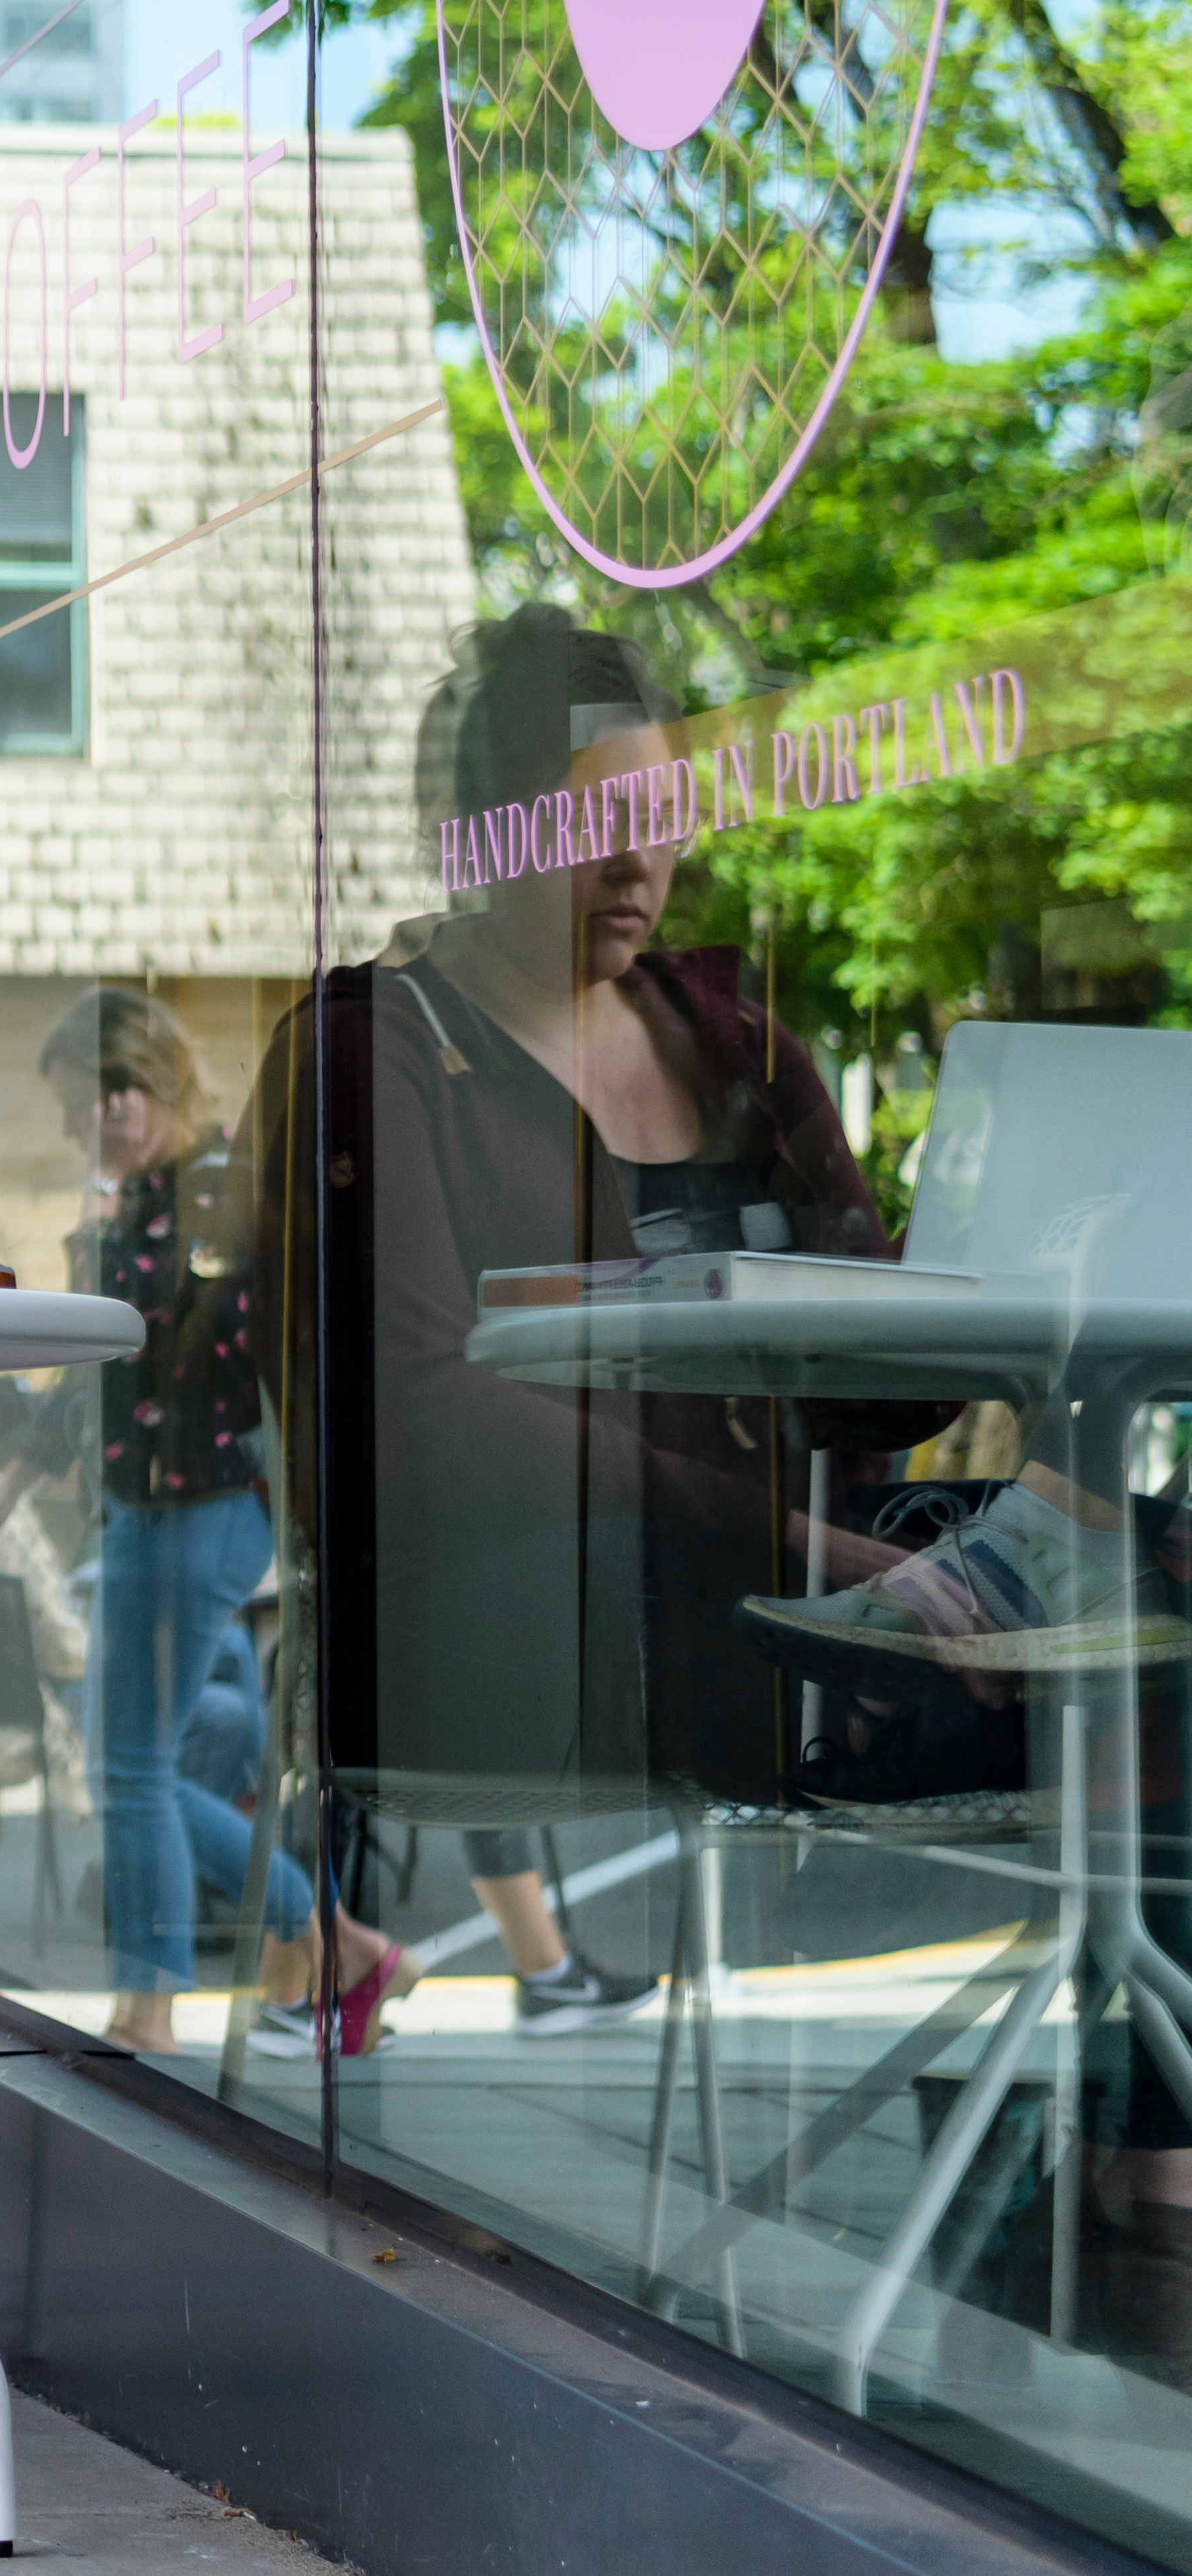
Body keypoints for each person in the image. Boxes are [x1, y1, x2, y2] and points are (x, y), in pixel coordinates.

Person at [244, 609, 933, 2026]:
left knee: (1132, 1621)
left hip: (773, 1608)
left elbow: (875, 1381)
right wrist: (797, 1540)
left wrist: (1006, 1291)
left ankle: (1129, 2154)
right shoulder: (375, 1050)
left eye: (665, 812)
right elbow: (420, 1416)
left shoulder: (734, 1039)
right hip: (529, 1639)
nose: (639, 859)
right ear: (484, 829)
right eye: (592, 817)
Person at [45, 987, 427, 2059]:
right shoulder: (158, 1188)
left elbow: (168, 1343)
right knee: (139, 1765)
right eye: (75, 1110)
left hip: (196, 1499)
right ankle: (335, 1938)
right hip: (158, 1501)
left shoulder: (207, 1187)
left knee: (126, 1766)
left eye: (95, 1102)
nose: (86, 1128)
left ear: (144, 1087)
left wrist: (106, 1238)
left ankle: (147, 2010)